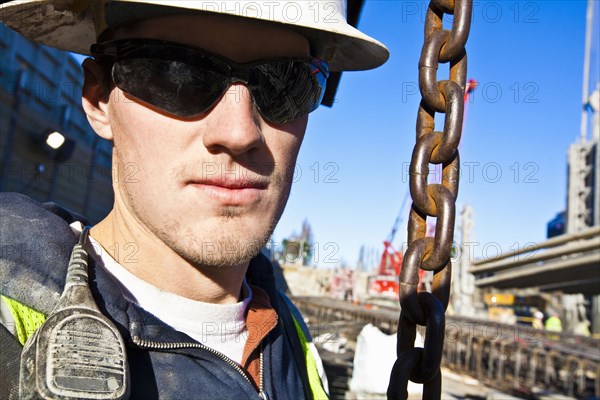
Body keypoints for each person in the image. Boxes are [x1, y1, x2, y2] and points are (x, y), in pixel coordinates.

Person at [0, 1, 388, 399]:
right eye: (178, 74)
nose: (239, 133)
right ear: (99, 99)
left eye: (283, 84)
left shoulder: (291, 335)